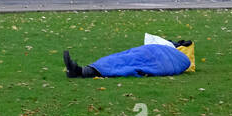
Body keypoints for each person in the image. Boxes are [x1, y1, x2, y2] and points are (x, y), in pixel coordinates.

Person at [63, 37, 194, 79]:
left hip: (155, 55)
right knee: (122, 58)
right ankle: (84, 70)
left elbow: (185, 62)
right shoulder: (172, 49)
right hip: (149, 52)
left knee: (125, 63)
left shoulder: (180, 56)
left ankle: (82, 71)